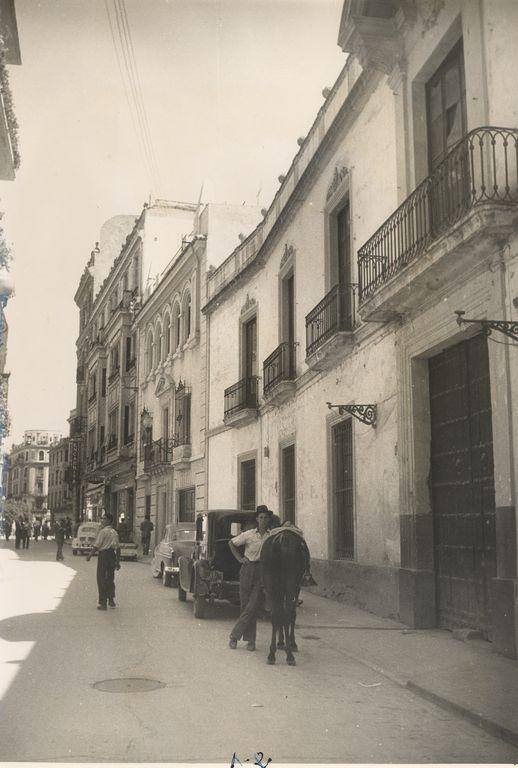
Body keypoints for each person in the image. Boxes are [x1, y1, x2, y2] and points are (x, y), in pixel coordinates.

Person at [227, 505, 272, 652]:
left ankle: (234, 636)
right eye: (261, 517)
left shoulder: (271, 536)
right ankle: (250, 641)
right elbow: (231, 543)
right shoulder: (249, 534)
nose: (263, 520)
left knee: (252, 606)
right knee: (245, 606)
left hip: (262, 572)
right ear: (257, 519)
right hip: (247, 569)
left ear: (268, 519)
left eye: (265, 517)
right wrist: (240, 558)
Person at [86, 514, 120, 610]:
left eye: (104, 519)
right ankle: (111, 600)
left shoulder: (103, 532)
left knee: (101, 579)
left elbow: (97, 545)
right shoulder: (114, 532)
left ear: (109, 520)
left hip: (104, 556)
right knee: (110, 578)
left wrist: (89, 555)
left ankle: (103, 603)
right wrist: (117, 562)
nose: (102, 520)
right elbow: (118, 548)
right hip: (112, 556)